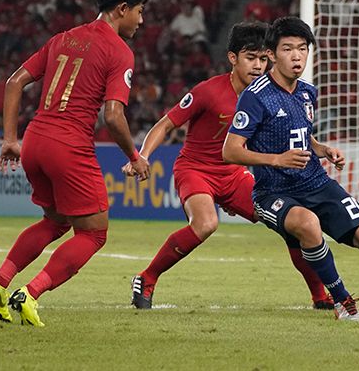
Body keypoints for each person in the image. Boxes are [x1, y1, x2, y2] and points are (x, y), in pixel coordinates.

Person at [221, 16, 359, 322]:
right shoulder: (255, 96)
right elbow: (230, 150)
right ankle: (342, 301)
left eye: (302, 48)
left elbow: (297, 132)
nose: (297, 56)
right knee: (308, 225)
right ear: (272, 54)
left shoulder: (307, 92)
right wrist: (276, 159)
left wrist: (321, 149)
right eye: (287, 49)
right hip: (273, 191)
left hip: (316, 183)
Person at [0, 0, 149, 327]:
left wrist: (11, 138)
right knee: (93, 233)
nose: (141, 19)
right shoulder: (120, 52)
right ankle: (32, 292)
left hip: (35, 140)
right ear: (121, 8)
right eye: (139, 10)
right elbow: (113, 116)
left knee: (54, 221)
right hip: (68, 145)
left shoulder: (63, 38)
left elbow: (14, 82)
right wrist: (134, 156)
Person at [123, 22, 331, 310]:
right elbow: (166, 123)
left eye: (262, 59)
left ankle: (320, 296)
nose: (258, 66)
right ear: (233, 58)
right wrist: (142, 155)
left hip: (234, 175)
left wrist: (317, 146)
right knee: (206, 223)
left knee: (292, 225)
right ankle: (147, 277)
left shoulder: (271, 94)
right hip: (196, 170)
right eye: (250, 58)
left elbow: (296, 127)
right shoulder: (208, 91)